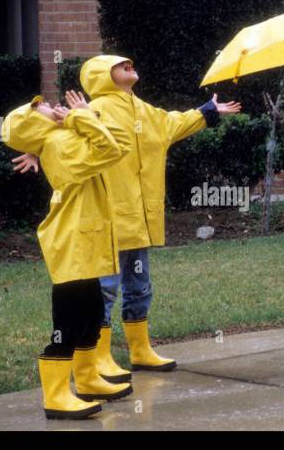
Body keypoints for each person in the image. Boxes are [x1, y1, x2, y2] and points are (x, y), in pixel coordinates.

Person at [13, 56, 241, 381]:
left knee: (140, 285)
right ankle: (99, 355)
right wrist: (36, 149)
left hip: (138, 217)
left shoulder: (143, 110)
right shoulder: (97, 110)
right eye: (122, 65)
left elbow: (171, 124)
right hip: (108, 215)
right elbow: (64, 131)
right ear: (101, 76)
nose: (131, 65)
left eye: (131, 63)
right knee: (105, 287)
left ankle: (140, 348)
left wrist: (206, 112)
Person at [1, 91, 134, 419]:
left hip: (82, 244)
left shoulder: (65, 137)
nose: (48, 103)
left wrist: (89, 116)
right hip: (72, 244)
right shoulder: (62, 145)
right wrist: (80, 116)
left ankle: (88, 378)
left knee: (90, 314)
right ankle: (57, 395)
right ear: (34, 123)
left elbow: (123, 143)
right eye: (39, 106)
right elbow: (111, 149)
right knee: (70, 321)